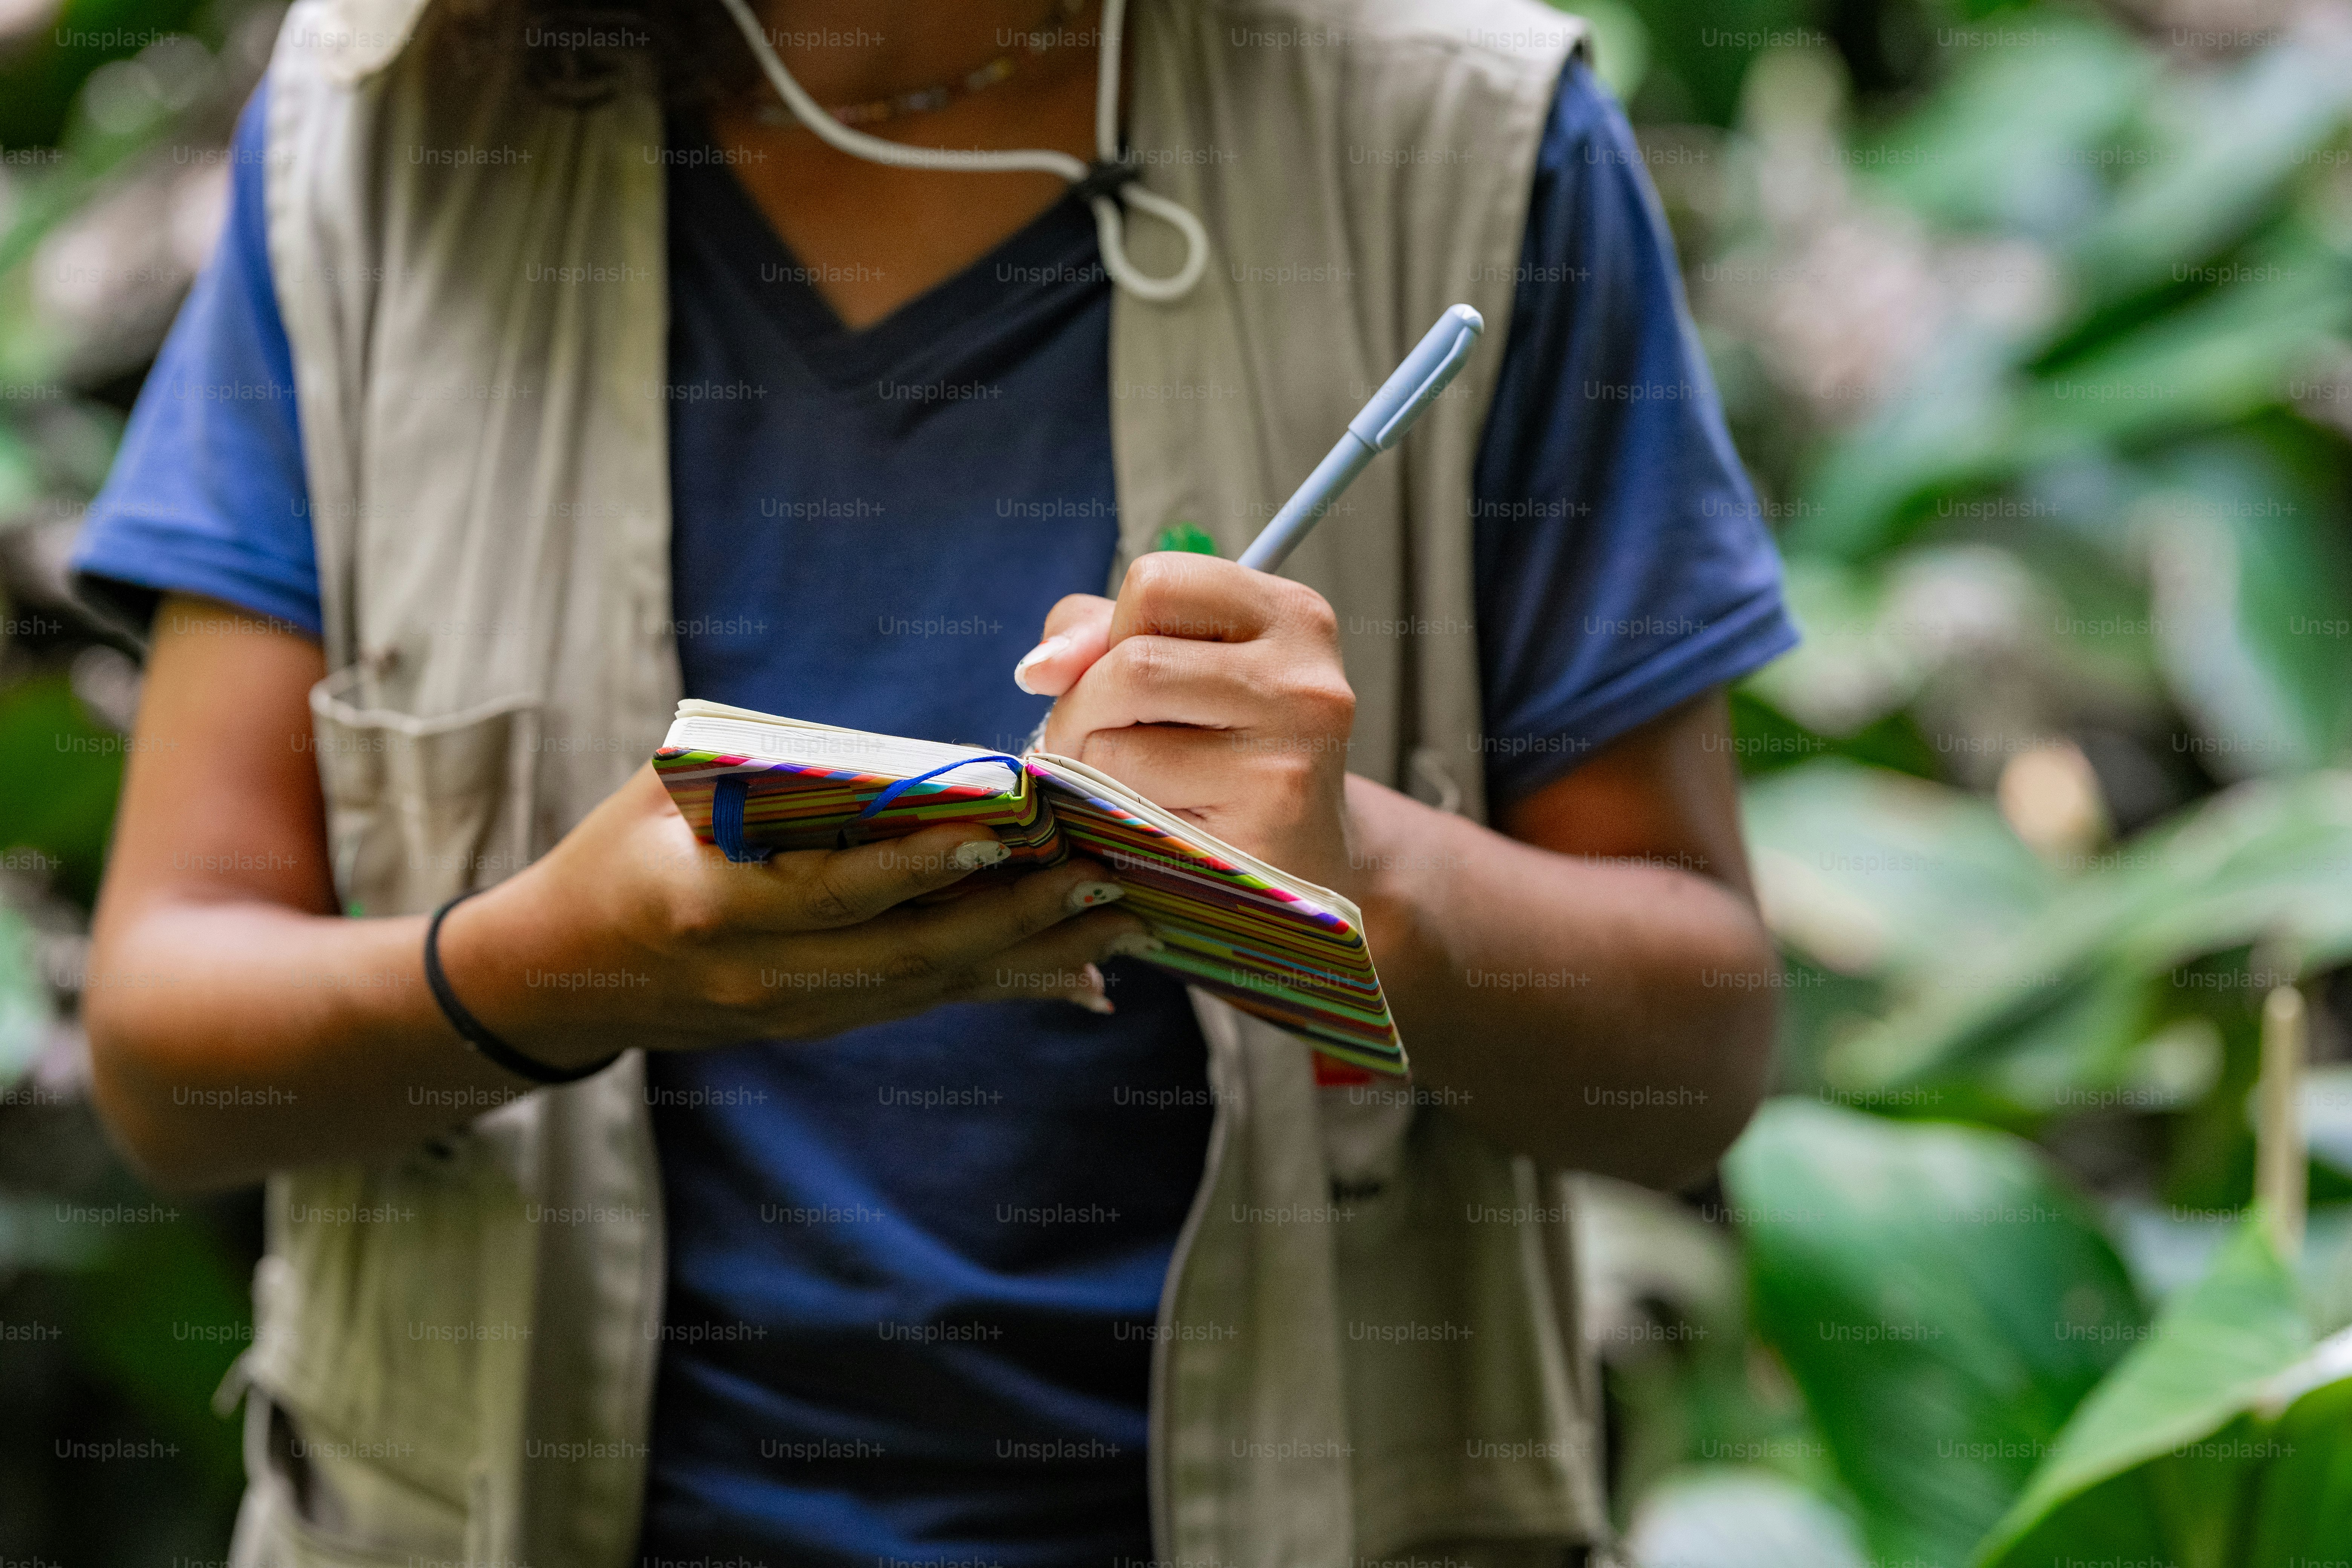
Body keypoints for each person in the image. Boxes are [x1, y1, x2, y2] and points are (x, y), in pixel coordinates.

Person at [72, 0, 1795, 1563]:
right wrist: (546, 965)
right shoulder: (380, 130)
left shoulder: (1468, 141)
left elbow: (1688, 1060)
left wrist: (1356, 870)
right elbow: (166, 1052)